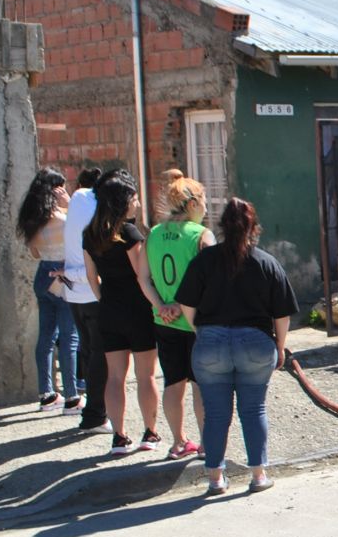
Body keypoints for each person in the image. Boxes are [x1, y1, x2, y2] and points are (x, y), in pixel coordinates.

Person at [176, 197, 298, 494]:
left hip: (211, 343)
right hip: (256, 344)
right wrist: (279, 347)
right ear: (254, 228)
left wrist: (202, 331)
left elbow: (186, 304)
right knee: (253, 409)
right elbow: (282, 314)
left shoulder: (203, 261)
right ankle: (258, 474)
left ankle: (216, 479)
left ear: (222, 227)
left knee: (216, 413)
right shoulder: (267, 263)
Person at [82, 169, 161, 456]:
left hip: (109, 310)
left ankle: (119, 436)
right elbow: (143, 277)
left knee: (115, 378)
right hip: (138, 309)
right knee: (146, 376)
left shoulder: (90, 234)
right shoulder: (129, 233)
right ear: (122, 201)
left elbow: (92, 278)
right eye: (134, 198)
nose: (137, 203)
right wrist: (158, 305)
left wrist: (105, 299)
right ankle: (150, 432)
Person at [147, 173, 213, 460]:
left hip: (164, 320)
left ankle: (178, 442)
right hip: (196, 321)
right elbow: (213, 278)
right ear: (193, 203)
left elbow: (144, 277)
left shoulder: (154, 233)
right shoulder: (200, 235)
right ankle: (207, 444)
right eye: (205, 201)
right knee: (201, 385)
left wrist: (163, 305)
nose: (207, 207)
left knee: (173, 383)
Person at [14, 168, 81, 413]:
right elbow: (84, 232)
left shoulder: (33, 219)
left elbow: (35, 253)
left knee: (46, 336)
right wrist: (71, 203)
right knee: (69, 337)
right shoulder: (64, 218)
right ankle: (72, 396)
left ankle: (47, 394)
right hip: (63, 275)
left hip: (43, 274)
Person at [61, 167, 110, 432]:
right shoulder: (98, 206)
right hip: (92, 289)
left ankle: (94, 412)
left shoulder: (78, 197)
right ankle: (96, 415)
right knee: (99, 356)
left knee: (89, 351)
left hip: (73, 291)